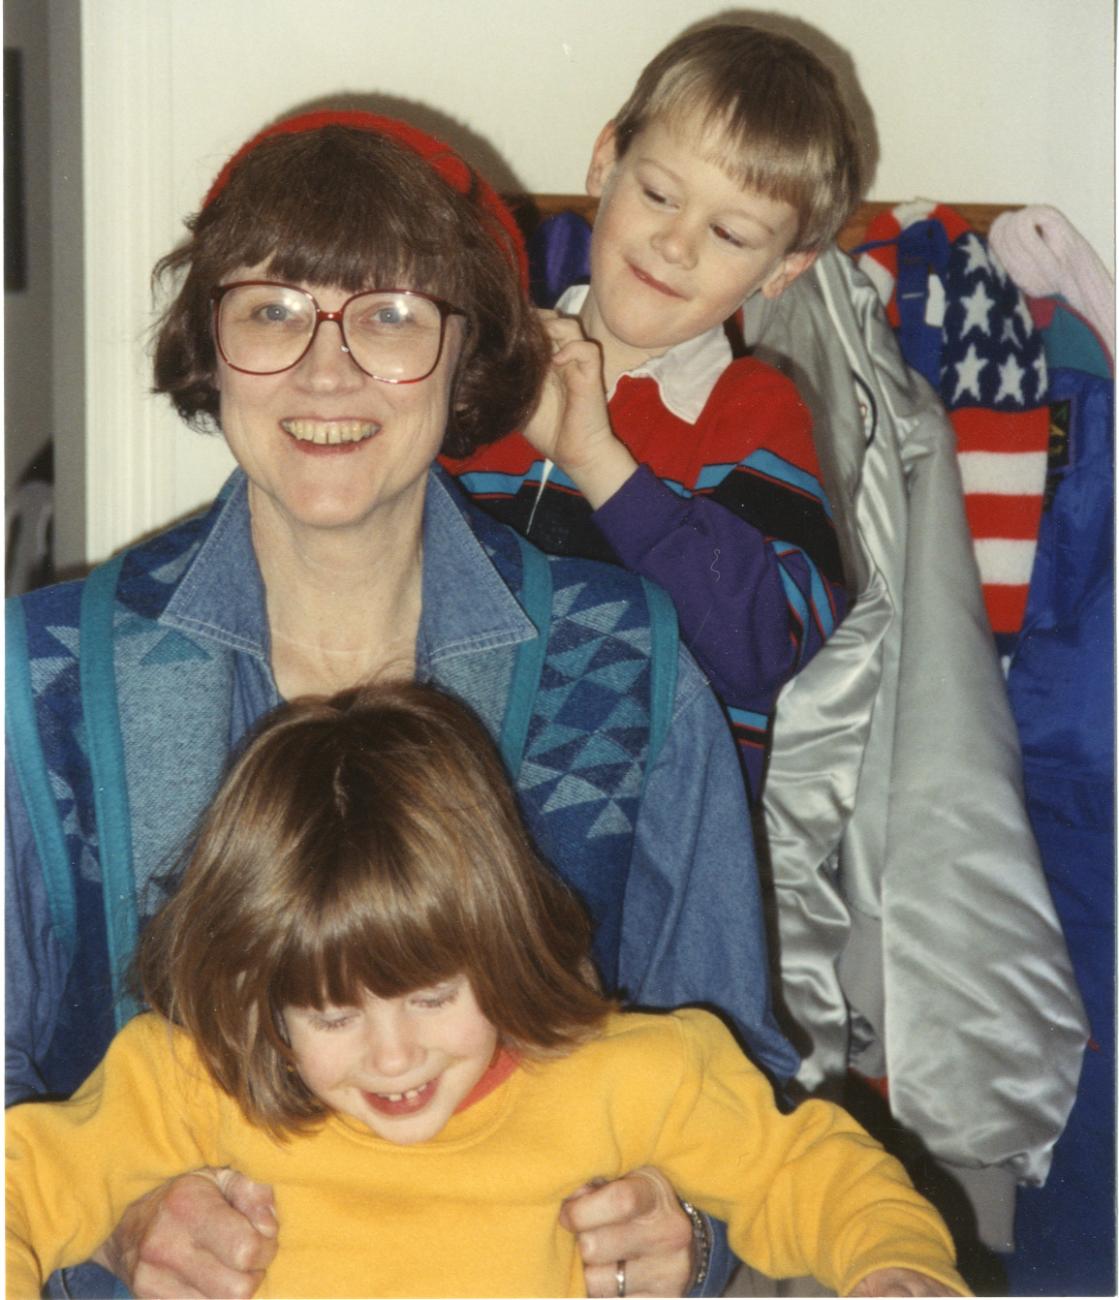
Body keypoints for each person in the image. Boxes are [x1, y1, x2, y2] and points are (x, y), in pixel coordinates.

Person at [5, 110, 797, 1299]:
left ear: (470, 354)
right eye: (272, 309)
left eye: (389, 316)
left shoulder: (630, 663)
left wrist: (696, 1229)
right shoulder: (45, 681)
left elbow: (745, 1071)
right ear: (207, 347)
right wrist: (111, 1227)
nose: (327, 372)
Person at [8, 681, 970, 1299]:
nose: (393, 1057)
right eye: (334, 1015)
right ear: (261, 992)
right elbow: (25, 1185)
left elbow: (802, 1170)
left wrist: (895, 1266)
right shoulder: (192, 1083)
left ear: (500, 937)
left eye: (431, 997)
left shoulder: (632, 1074)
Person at [445, 23, 856, 796]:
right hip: (442, 824)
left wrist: (598, 463)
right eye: (660, 195)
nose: (675, 245)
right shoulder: (479, 366)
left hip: (645, 849)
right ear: (605, 160)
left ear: (785, 267)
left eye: (730, 234)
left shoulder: (758, 415)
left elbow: (762, 648)